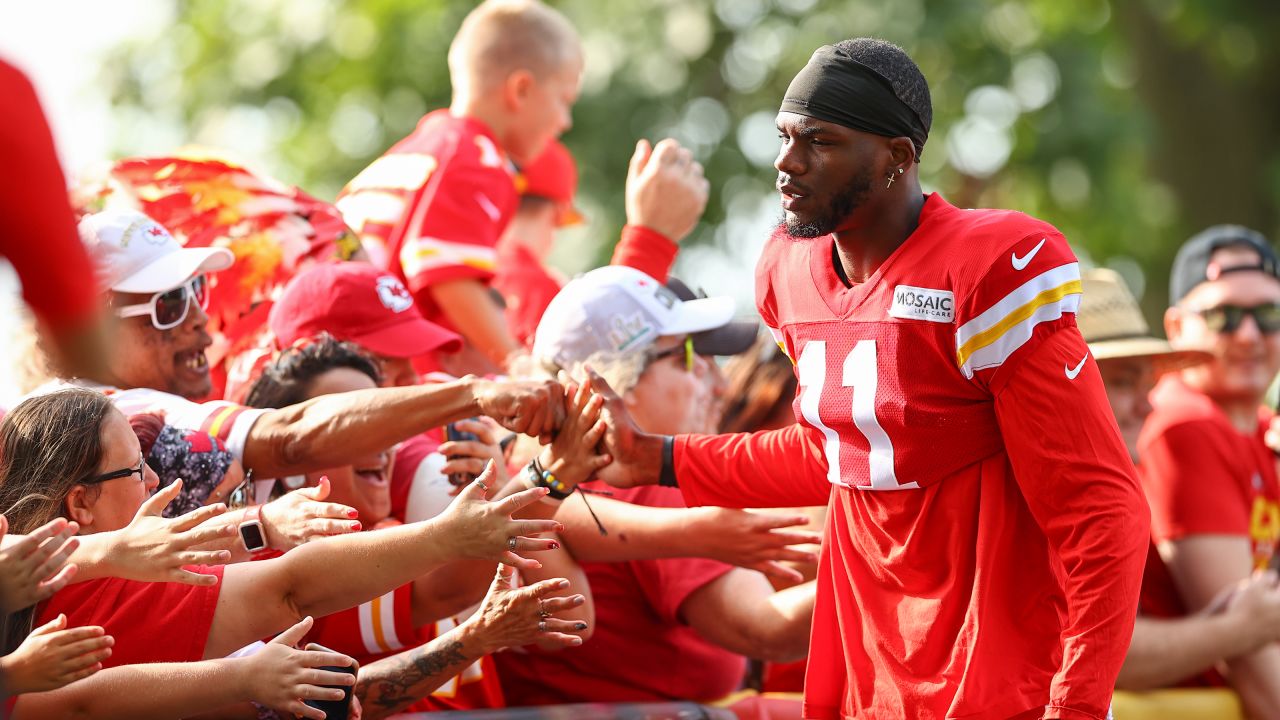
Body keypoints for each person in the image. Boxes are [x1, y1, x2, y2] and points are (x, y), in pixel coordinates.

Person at [582, 38, 1148, 719]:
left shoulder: (988, 267)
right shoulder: (788, 271)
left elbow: (1101, 511)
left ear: (897, 158)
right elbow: (836, 449)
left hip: (1000, 677)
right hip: (869, 676)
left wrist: (1077, 705)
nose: (787, 163)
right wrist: (659, 458)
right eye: (785, 136)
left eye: (820, 141)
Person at [0, 388, 573, 718]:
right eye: (220, 494)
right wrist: (554, 475)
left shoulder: (84, 573)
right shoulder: (94, 590)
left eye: (241, 494)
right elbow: (293, 594)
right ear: (79, 502)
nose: (153, 483)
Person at [33, 207, 566, 490]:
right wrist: (475, 396)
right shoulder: (114, 411)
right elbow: (288, 442)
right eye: (168, 303)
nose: (200, 318)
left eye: (198, 290)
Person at [498, 266, 816, 705]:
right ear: (613, 382)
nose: (720, 385)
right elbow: (766, 630)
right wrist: (903, 572)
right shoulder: (649, 490)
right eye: (688, 357)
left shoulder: (536, 472)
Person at [336, 0, 708, 375]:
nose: (564, 122)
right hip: (381, 374)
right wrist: (516, 363)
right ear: (522, 90)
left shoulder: (419, 149)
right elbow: (450, 275)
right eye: (564, 101)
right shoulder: (478, 156)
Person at [1072, 268, 1280, 696]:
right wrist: (1239, 627)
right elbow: (1103, 655)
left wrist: (1228, 622)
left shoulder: (1096, 489)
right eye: (1126, 382)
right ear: (1064, 382)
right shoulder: (1037, 497)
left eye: (1268, 313)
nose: (1149, 407)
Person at [1138, 226, 1280, 715]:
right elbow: (1247, 649)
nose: (1248, 335)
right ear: (1176, 328)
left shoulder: (1265, 430)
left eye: (1269, 314)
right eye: (1222, 315)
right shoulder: (1184, 427)